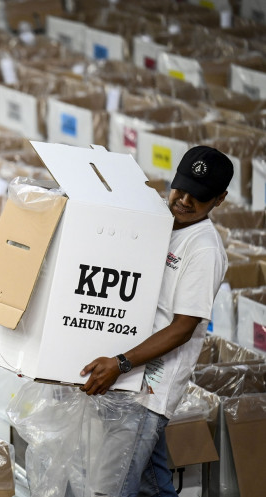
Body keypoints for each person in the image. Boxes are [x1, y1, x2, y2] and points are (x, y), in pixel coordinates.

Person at [78, 145, 233, 496]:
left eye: (199, 197)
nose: (184, 200)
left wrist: (120, 363)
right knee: (151, 482)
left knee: (111, 489)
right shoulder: (158, 223)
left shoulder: (203, 248)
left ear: (219, 200)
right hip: (125, 377)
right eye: (180, 189)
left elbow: (183, 327)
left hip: (147, 389)